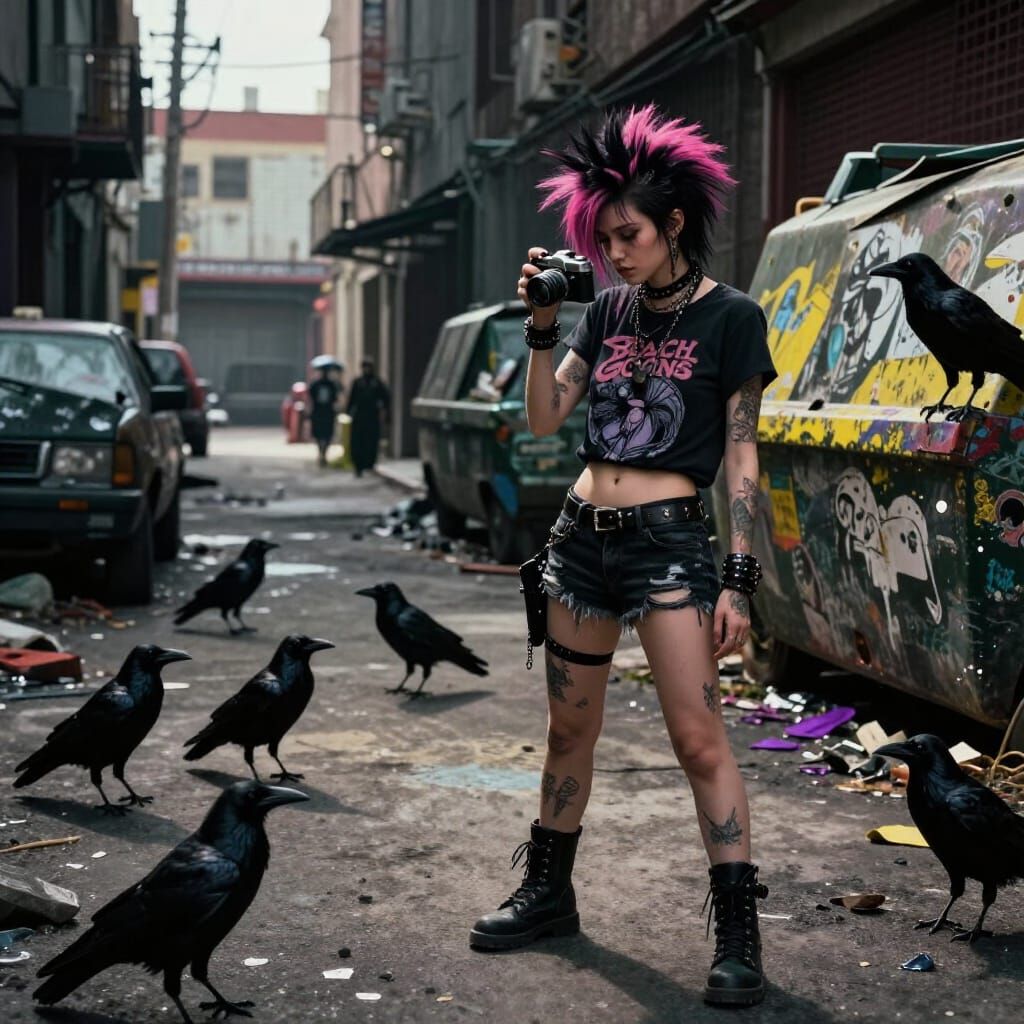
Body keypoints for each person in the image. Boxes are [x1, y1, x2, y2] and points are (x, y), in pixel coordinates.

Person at [468, 105, 778, 1008]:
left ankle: (738, 934)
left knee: (696, 738)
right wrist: (539, 327)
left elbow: (744, 453)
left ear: (673, 224)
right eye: (605, 239)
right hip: (579, 545)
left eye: (630, 235)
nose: (618, 253)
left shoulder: (733, 319)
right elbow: (543, 419)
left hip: (671, 549)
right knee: (570, 731)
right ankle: (550, 894)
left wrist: (741, 578)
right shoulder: (601, 311)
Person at [346, 359, 390, 477]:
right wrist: (348, 413)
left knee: (371, 442)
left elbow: (386, 399)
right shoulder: (358, 382)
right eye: (365, 367)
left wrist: (387, 415)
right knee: (357, 442)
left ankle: (369, 464)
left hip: (372, 416)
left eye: (368, 367)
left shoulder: (376, 382)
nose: (366, 370)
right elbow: (351, 400)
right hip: (359, 416)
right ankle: (358, 466)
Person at [308, 365, 341, 467]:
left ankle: (324, 453)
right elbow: (310, 394)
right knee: (319, 434)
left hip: (327, 413)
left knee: (327, 434)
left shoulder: (332, 385)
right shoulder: (316, 384)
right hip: (318, 412)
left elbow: (336, 397)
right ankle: (321, 452)